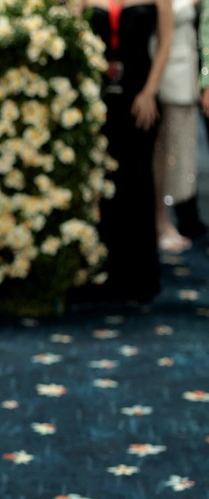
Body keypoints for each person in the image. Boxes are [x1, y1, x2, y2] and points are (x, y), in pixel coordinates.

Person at [82, 0, 172, 301]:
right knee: (102, 181)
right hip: (97, 97)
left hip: (140, 95)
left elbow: (165, 43)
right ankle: (101, 270)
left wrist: (150, 91)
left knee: (138, 179)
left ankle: (140, 273)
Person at [152, 0, 199, 253]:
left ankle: (165, 220)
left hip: (183, 74)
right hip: (162, 74)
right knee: (161, 155)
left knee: (176, 154)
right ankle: (161, 221)